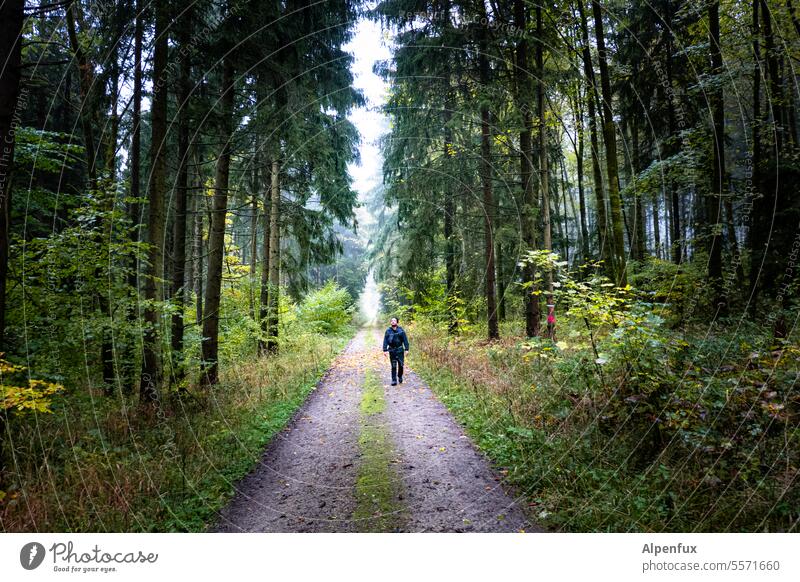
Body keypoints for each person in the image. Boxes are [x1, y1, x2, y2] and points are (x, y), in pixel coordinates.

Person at [382, 317, 409, 385]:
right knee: (393, 366)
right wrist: (385, 350)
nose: (393, 322)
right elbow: (385, 340)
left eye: (394, 320)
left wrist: (406, 349)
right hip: (392, 350)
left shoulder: (401, 330)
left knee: (401, 365)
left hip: (400, 350)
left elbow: (405, 340)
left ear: (397, 322)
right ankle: (394, 380)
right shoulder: (388, 331)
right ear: (390, 322)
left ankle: (400, 376)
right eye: (392, 321)